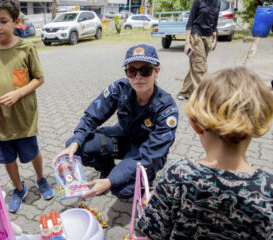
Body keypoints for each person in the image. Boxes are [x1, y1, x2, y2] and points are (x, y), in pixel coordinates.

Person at [138, 67, 273, 239]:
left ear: (194, 124)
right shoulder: (268, 190)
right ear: (258, 125)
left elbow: (153, 234)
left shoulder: (178, 173)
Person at [55, 44, 178, 199]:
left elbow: (152, 153)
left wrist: (111, 181)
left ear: (156, 71)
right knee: (75, 145)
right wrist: (76, 141)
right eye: (132, 71)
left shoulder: (166, 108)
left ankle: (143, 178)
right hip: (123, 138)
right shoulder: (119, 88)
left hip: (145, 151)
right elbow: (92, 115)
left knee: (121, 190)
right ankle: (107, 168)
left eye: (145, 70)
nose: (138, 77)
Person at [0, 0, 54, 213]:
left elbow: (39, 78)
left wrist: (18, 93)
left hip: (23, 118)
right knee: (7, 158)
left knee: (32, 152)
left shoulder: (26, 47)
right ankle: (19, 189)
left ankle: (41, 179)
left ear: (16, 22)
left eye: (3, 21)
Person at [177, 0, 220, 100]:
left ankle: (185, 92)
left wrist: (214, 39)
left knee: (196, 65)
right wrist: (187, 43)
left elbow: (215, 23)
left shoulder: (217, 2)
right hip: (196, 36)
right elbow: (190, 22)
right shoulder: (198, 1)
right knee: (200, 67)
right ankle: (203, 96)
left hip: (208, 37)